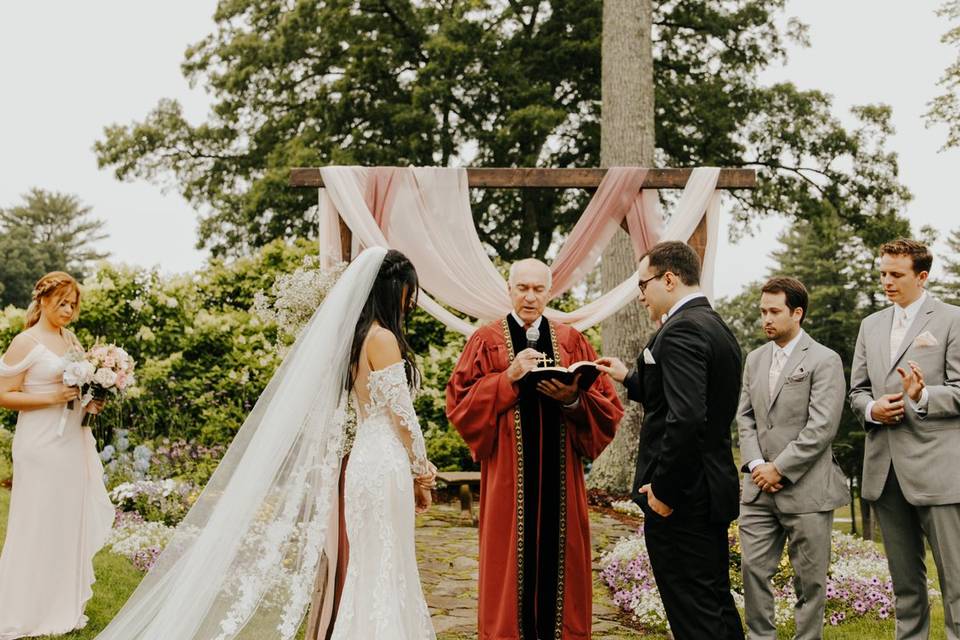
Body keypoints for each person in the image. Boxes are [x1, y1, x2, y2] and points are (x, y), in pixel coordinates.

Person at [94, 248, 436, 640]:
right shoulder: (385, 338)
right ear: (395, 290)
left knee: (370, 564)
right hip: (385, 460)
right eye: (409, 292)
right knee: (387, 563)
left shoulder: (357, 341)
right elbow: (403, 419)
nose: (411, 302)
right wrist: (421, 470)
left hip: (364, 462)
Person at [446, 258, 623, 640]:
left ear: (550, 291)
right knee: (507, 563)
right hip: (510, 480)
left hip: (561, 478)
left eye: (538, 289)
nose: (530, 296)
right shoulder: (486, 339)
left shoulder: (571, 341)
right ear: (509, 290)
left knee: (564, 563)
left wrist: (574, 399)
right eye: (522, 288)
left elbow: (608, 409)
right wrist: (506, 378)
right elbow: (460, 404)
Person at [596, 241, 744, 640]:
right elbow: (689, 397)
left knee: (693, 615)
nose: (640, 294)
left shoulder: (680, 331)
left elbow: (687, 417)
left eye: (643, 284)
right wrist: (630, 377)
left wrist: (664, 490)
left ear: (669, 278)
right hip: (710, 486)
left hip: (683, 498)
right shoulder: (714, 325)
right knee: (713, 604)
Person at [849, 238, 960, 640]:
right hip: (884, 469)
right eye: (882, 273)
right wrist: (871, 410)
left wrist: (924, 395)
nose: (886, 282)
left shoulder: (951, 319)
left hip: (938, 472)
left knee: (957, 583)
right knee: (905, 585)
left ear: (922, 276)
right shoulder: (870, 325)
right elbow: (856, 391)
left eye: (896, 274)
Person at [0, 271, 113, 640]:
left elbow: (76, 388)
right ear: (44, 300)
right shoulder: (26, 341)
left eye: (73, 304)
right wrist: (51, 398)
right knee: (37, 521)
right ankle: (24, 606)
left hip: (71, 445)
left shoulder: (72, 340)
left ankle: (60, 603)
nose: (68, 310)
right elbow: (4, 395)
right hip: (40, 445)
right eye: (61, 302)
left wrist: (91, 400)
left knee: (65, 523)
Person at [736, 276, 848, 640]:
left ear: (797, 313)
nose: (765, 319)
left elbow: (822, 427)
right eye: (762, 312)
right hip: (757, 490)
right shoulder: (753, 359)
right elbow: (746, 417)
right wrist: (756, 465)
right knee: (753, 571)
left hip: (807, 491)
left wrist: (779, 468)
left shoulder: (824, 360)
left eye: (774, 311)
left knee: (810, 582)